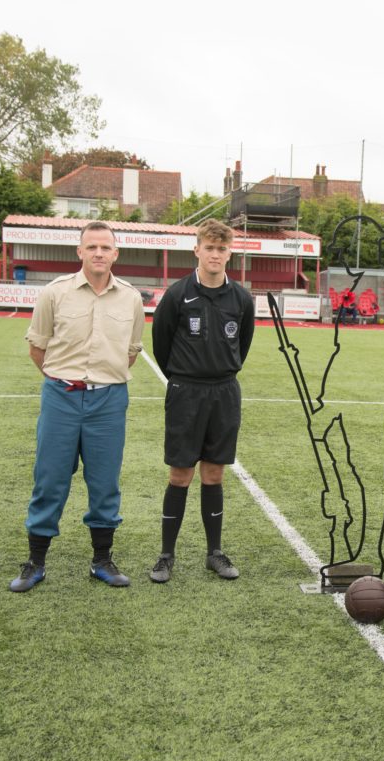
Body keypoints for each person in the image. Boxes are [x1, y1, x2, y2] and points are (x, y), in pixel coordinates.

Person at [10, 220, 146, 592]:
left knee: (104, 482)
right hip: (61, 398)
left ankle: (102, 559)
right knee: (50, 478)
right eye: (92, 247)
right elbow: (37, 348)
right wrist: (66, 380)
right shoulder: (55, 293)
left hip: (109, 400)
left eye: (106, 247)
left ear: (116, 253)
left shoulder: (131, 298)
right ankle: (35, 562)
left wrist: (99, 380)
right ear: (80, 252)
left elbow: (131, 352)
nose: (99, 253)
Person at [149, 219, 255, 583]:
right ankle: (166, 556)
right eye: (209, 247)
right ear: (197, 250)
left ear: (229, 253)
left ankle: (215, 553)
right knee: (181, 474)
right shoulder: (178, 295)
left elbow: (243, 344)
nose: (215, 254)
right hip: (185, 393)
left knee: (214, 473)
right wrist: (184, 378)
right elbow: (161, 345)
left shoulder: (241, 298)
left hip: (224, 393)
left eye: (221, 249)